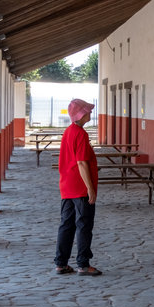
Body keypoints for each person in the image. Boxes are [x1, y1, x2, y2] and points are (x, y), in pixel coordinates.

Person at [54, 98, 102, 276]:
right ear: (82, 114)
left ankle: (61, 263)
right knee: (84, 225)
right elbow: (82, 163)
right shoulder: (81, 134)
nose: (90, 113)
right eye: (88, 111)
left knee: (66, 225)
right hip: (80, 187)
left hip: (66, 186)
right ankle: (83, 263)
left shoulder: (68, 131)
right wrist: (90, 188)